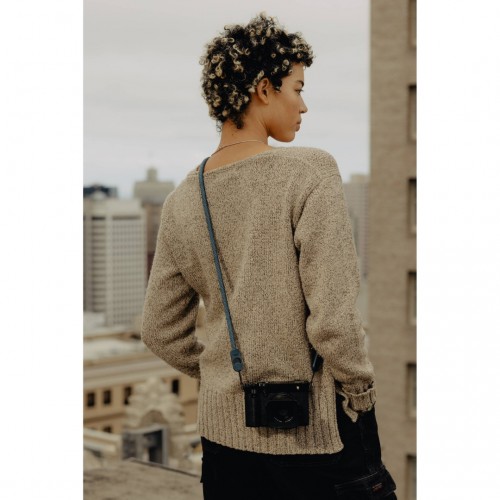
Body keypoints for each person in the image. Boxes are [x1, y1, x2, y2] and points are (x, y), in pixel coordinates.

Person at [142, 12, 397, 500]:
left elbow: (159, 331)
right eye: (297, 88)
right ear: (264, 89)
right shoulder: (310, 171)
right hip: (318, 437)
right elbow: (334, 320)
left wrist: (223, 380)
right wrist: (361, 392)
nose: (303, 105)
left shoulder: (181, 201)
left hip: (224, 447)